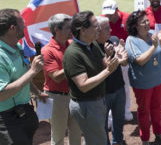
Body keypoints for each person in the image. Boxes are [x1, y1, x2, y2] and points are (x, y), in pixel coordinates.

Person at [63, 11, 120, 145]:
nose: (99, 29)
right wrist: (108, 70)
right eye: (95, 26)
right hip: (86, 105)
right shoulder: (73, 53)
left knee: (93, 139)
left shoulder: (91, 44)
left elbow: (104, 63)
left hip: (97, 102)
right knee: (98, 140)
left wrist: (111, 56)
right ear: (83, 30)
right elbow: (83, 85)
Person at [0, 8, 47, 145]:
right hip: (7, 120)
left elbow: (23, 77)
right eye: (22, 21)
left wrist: (37, 93)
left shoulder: (17, 48)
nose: (25, 25)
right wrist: (33, 71)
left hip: (24, 113)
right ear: (12, 28)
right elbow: (2, 94)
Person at [125, 10, 161, 145]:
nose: (146, 23)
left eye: (147, 20)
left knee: (156, 108)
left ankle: (158, 132)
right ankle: (145, 139)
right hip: (143, 84)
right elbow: (140, 60)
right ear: (135, 26)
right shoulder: (131, 40)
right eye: (142, 22)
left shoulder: (152, 35)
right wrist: (154, 46)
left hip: (157, 80)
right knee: (144, 111)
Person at [42, 14, 81, 145]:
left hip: (74, 95)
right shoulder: (47, 51)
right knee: (58, 136)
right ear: (57, 30)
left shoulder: (72, 44)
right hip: (57, 98)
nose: (72, 30)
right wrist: (73, 63)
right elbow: (56, 77)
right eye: (68, 27)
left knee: (76, 133)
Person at [95, 16, 129, 145]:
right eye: (106, 28)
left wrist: (122, 57)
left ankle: (118, 141)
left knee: (119, 120)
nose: (110, 29)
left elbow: (124, 63)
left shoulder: (114, 40)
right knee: (102, 123)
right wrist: (108, 57)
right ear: (97, 30)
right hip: (103, 93)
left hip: (119, 88)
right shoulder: (92, 47)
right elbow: (96, 69)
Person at [102, 0, 133, 121]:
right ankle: (110, 112)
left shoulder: (127, 18)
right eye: (106, 14)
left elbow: (133, 37)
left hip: (124, 56)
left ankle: (125, 109)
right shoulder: (103, 20)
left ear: (117, 9)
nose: (108, 16)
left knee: (125, 84)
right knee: (109, 86)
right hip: (108, 57)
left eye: (111, 13)